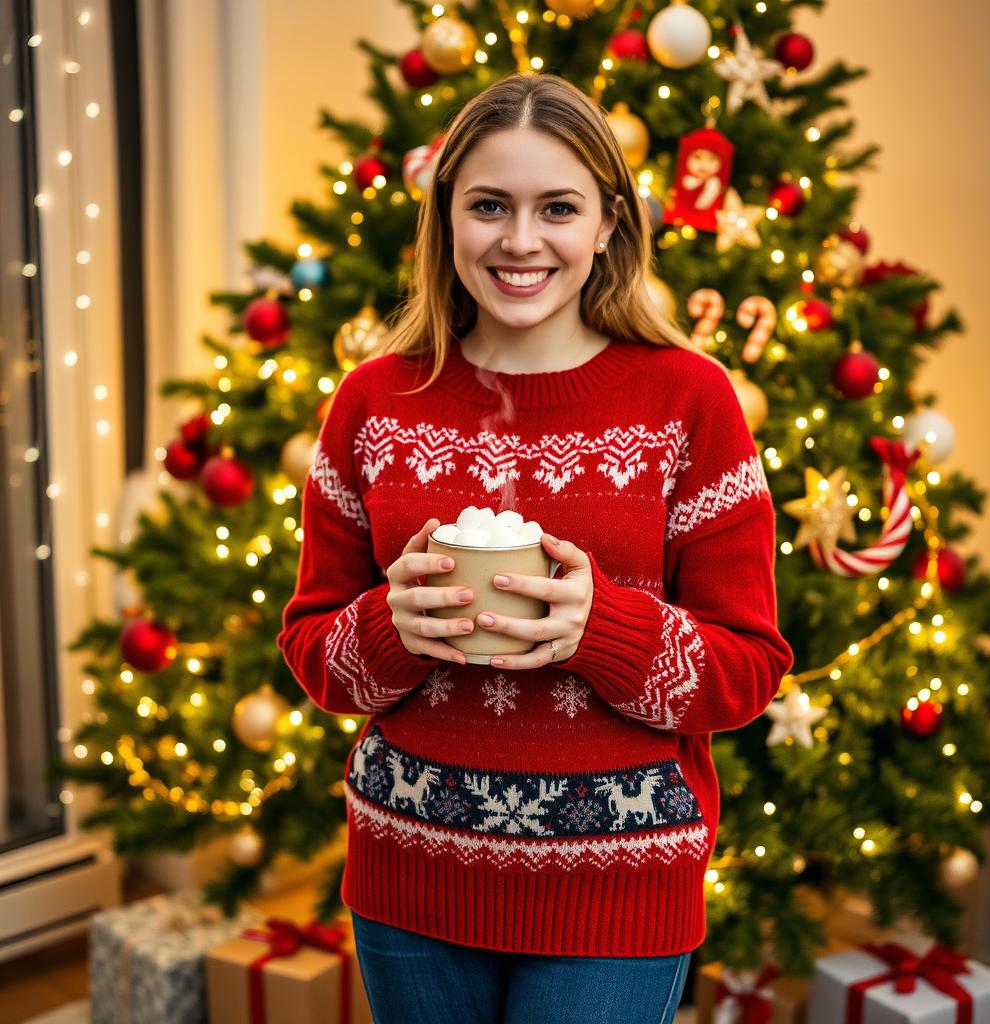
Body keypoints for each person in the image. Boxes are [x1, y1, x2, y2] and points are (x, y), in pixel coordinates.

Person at [276, 71, 794, 1024]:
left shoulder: (691, 402)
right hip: (410, 877)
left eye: (557, 207)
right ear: (447, 223)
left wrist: (609, 629)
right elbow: (317, 655)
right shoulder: (374, 403)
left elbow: (747, 672)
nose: (520, 241)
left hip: (621, 895)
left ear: (607, 223)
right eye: (488, 207)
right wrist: (390, 630)